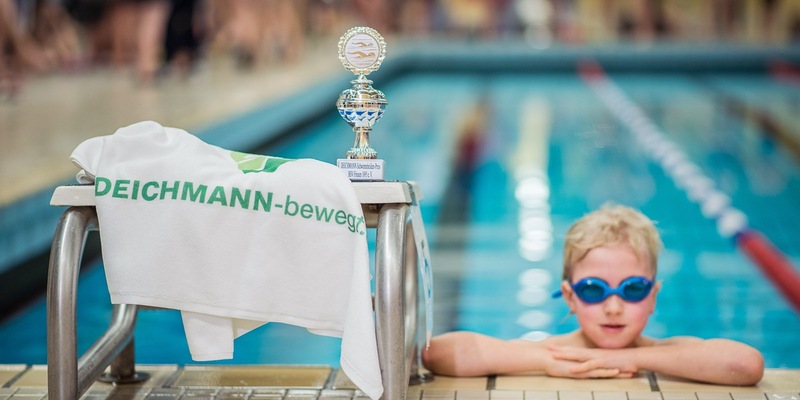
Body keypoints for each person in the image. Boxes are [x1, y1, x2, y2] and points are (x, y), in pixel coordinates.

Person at [422, 204, 765, 386]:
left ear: (653, 296)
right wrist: (544, 362)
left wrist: (633, 360)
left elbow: (745, 365)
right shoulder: (554, 353)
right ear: (570, 297)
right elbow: (436, 353)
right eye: (593, 290)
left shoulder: (666, 353)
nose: (613, 307)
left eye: (632, 289)